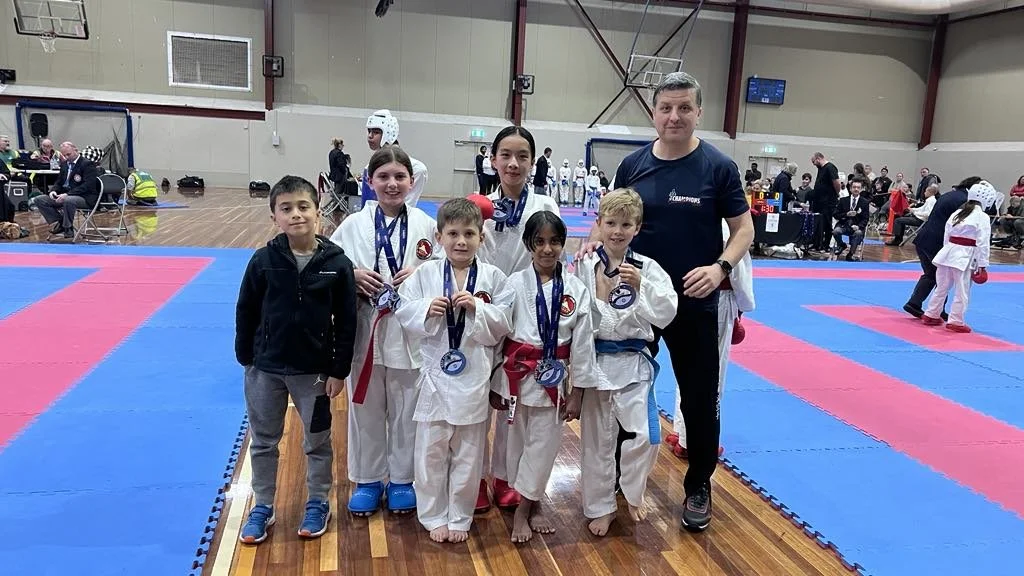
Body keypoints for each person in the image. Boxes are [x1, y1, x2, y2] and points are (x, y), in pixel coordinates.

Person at [584, 71, 753, 532]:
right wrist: (591, 241)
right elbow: (610, 218)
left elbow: (744, 231)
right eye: (666, 108)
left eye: (684, 108)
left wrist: (720, 267)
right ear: (654, 113)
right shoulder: (633, 164)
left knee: (699, 399)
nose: (674, 116)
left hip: (693, 301)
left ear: (699, 112)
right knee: (621, 388)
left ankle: (699, 484)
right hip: (632, 301)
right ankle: (620, 474)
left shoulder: (718, 167)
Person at [234, 175, 357, 544]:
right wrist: (247, 358)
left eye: (303, 207)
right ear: (274, 216)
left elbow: (347, 320)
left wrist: (339, 369)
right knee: (264, 440)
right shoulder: (263, 261)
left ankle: (318, 500)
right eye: (286, 208)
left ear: (318, 213)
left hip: (314, 372)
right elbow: (246, 309)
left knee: (317, 441)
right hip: (265, 369)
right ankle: (263, 505)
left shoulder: (337, 263)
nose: (296, 214)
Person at [394, 198, 513, 544]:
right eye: (454, 233)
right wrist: (425, 309)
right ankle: (432, 514)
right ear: (440, 236)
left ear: (481, 236)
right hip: (434, 376)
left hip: (473, 377)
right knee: (431, 451)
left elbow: (504, 322)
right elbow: (404, 311)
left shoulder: (493, 278)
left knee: (469, 452)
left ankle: (460, 515)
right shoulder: (426, 275)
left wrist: (478, 307)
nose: (461, 241)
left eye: (469, 234)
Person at [330, 146, 440, 516]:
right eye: (384, 177)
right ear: (369, 181)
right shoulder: (352, 225)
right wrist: (351, 275)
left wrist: (425, 272)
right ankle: (367, 478)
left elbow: (449, 266)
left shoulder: (427, 226)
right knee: (366, 409)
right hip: (365, 330)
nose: (392, 184)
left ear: (411, 181)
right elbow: (328, 267)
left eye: (399, 177)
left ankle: (402, 479)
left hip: (411, 336)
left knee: (408, 411)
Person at [573, 189, 677, 537]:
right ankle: (601, 508)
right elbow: (570, 311)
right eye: (611, 223)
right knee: (598, 442)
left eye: (626, 224)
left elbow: (667, 313)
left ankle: (633, 493)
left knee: (647, 436)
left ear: (638, 227)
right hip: (595, 364)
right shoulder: (584, 264)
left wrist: (642, 285)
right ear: (599, 224)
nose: (618, 231)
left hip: (634, 365)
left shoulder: (648, 268)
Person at [490, 210, 598, 543]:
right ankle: (531, 502)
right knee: (516, 445)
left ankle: (524, 511)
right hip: (518, 378)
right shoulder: (514, 283)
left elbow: (582, 343)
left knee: (545, 447)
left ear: (563, 245)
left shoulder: (576, 289)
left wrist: (578, 391)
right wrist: (494, 382)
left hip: (556, 380)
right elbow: (498, 333)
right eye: (540, 241)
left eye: (554, 242)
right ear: (528, 245)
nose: (547, 249)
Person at [476, 126, 560, 512]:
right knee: (475, 401)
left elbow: (553, 256)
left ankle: (506, 476)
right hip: (481, 307)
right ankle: (472, 478)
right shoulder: (477, 204)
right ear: (492, 160)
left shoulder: (545, 205)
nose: (513, 163)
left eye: (522, 156)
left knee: (516, 405)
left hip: (527, 313)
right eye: (505, 155)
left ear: (532, 161)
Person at [668, 217, 754, 455]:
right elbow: (738, 273)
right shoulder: (730, 227)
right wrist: (742, 305)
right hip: (717, 302)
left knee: (684, 368)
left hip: (682, 299)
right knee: (713, 375)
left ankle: (682, 430)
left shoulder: (685, 218)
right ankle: (696, 440)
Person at [921, 181, 999, 333]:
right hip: (965, 255)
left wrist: (946, 249)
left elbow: (946, 234)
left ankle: (931, 314)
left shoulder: (957, 213)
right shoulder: (981, 216)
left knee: (942, 286)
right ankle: (956, 321)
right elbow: (983, 243)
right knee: (962, 290)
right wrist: (982, 265)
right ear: (986, 199)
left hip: (948, 252)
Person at [904, 176, 983, 319]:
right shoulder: (964, 201)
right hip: (937, 241)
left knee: (931, 274)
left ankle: (914, 303)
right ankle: (936, 310)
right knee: (942, 278)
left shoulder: (949, 194)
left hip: (923, 238)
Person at [361, 109, 429, 208]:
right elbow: (367, 207)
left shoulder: (417, 169)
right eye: (369, 131)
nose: (370, 136)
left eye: (376, 132)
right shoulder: (369, 167)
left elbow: (407, 206)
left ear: (388, 133)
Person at [34, 141, 101, 240]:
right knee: (40, 199)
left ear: (76, 151)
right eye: (64, 155)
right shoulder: (64, 164)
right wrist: (53, 191)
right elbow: (59, 182)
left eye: (68, 154)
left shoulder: (87, 164)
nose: (66, 157)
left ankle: (67, 227)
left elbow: (88, 185)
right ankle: (61, 222)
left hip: (84, 197)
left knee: (69, 200)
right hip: (64, 195)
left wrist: (67, 194)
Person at [831, 177, 871, 261]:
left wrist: (859, 226)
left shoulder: (864, 202)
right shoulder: (843, 200)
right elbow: (835, 214)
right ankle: (841, 244)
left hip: (857, 226)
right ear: (850, 188)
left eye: (858, 187)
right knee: (835, 231)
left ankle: (851, 253)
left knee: (858, 233)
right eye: (854, 187)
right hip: (844, 225)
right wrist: (846, 214)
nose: (856, 189)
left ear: (861, 189)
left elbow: (865, 218)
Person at [810, 152, 840, 251]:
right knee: (818, 223)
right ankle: (817, 243)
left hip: (828, 202)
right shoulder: (820, 169)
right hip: (819, 201)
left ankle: (826, 245)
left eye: (814, 162)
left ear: (818, 159)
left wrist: (836, 193)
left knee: (827, 223)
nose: (814, 164)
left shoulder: (830, 167)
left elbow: (836, 182)